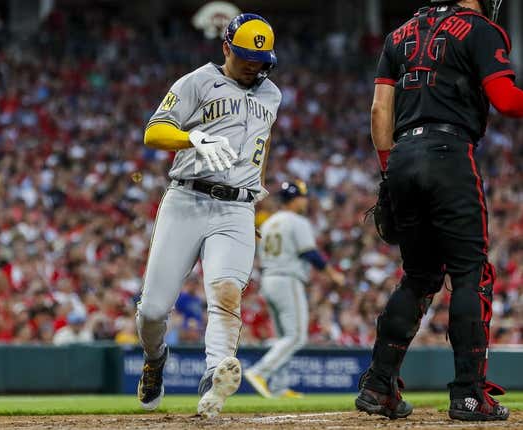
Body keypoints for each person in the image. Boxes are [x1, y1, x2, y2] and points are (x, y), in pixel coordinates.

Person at [356, 0, 523, 421]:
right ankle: (469, 394)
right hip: (450, 153)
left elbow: (379, 111)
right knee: (471, 272)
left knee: (419, 276)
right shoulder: (480, 28)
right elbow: (505, 100)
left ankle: (379, 386)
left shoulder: (398, 35)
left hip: (402, 157)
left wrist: (389, 173)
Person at [135, 13, 282, 418]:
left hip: (237, 207)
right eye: (246, 55)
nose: (254, 64)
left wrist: (258, 189)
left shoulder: (272, 95)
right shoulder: (197, 81)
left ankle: (216, 375)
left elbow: (261, 144)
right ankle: (155, 358)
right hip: (187, 200)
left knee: (226, 295)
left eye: (261, 57)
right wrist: (190, 137)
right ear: (226, 48)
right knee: (152, 310)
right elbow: (153, 131)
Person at [244, 181, 345, 398]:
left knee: (284, 337)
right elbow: (310, 253)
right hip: (287, 279)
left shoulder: (269, 222)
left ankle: (279, 387)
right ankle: (259, 371)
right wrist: (333, 274)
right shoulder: (296, 221)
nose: (305, 201)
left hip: (269, 280)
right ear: (296, 199)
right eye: (303, 197)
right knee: (297, 337)